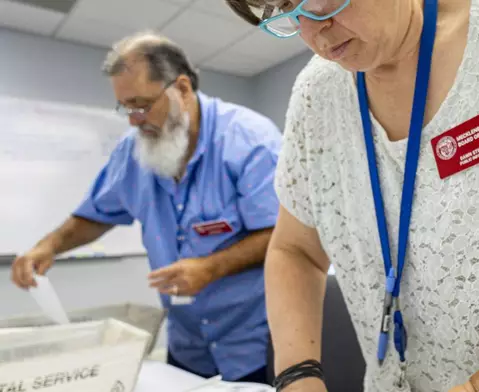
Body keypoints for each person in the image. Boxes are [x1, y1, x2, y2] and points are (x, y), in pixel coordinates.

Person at [224, 0, 479, 391]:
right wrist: (298, 377)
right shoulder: (317, 95)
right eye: (284, 8)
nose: (313, 30)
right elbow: (294, 250)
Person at [10, 32, 282, 384]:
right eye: (125, 107)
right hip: (188, 345)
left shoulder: (251, 142)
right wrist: (48, 247)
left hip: (254, 342)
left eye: (141, 104)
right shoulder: (133, 152)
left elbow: (281, 235)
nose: (133, 120)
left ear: (181, 88)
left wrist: (211, 268)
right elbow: (95, 215)